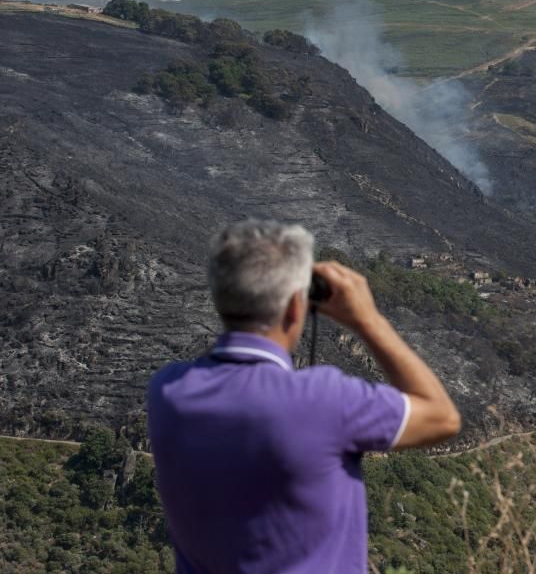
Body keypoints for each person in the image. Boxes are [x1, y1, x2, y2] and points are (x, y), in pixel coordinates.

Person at [147, 221, 461, 573]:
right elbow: (442, 417)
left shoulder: (167, 391)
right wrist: (367, 319)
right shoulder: (324, 400)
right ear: (297, 308)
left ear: (220, 297)